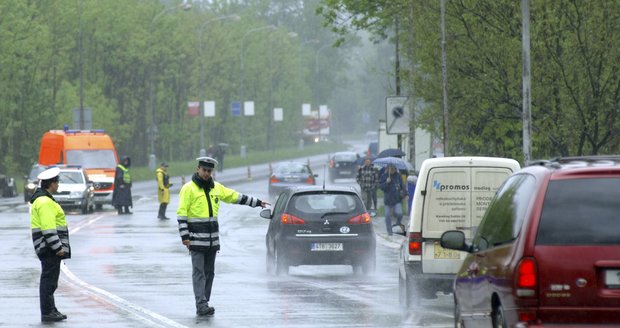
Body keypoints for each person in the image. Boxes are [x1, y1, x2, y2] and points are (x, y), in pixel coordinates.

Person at [176, 156, 270, 316]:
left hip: (212, 242)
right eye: (204, 170)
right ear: (198, 168)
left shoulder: (216, 188)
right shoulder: (188, 188)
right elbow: (182, 214)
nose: (206, 173)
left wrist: (257, 202)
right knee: (198, 273)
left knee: (209, 273)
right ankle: (201, 304)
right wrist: (185, 236)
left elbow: (235, 196)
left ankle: (204, 301)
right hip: (196, 240)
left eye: (209, 171)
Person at [29, 167, 71, 322]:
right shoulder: (45, 202)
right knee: (49, 280)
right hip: (49, 248)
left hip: (47, 247)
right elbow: (48, 229)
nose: (58, 185)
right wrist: (58, 247)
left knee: (50, 279)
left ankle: (51, 309)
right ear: (51, 184)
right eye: (57, 182)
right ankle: (47, 312)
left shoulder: (43, 199)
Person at [379, 164, 407, 235]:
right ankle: (389, 231)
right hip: (388, 200)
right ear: (388, 169)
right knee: (387, 215)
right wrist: (386, 182)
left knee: (400, 213)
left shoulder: (398, 176)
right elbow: (381, 187)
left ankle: (397, 224)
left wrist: (404, 193)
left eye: (393, 168)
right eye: (391, 168)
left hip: (397, 199)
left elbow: (402, 186)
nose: (392, 170)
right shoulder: (384, 176)